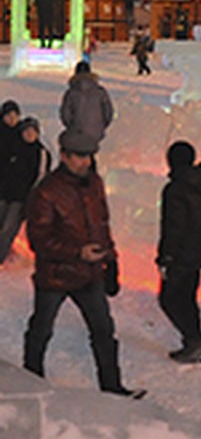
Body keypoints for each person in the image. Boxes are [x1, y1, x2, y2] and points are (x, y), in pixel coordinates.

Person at [22, 132, 143, 398]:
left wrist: (111, 261)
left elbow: (102, 226)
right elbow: (39, 240)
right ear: (64, 155)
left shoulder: (95, 183)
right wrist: (78, 253)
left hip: (89, 275)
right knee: (41, 330)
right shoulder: (46, 192)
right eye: (78, 156)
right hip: (55, 276)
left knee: (104, 332)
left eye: (88, 156)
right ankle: (31, 384)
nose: (85, 161)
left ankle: (112, 388)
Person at [156, 141, 201, 363]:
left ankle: (194, 338)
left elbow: (173, 226)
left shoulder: (176, 189)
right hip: (197, 252)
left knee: (169, 299)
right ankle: (194, 339)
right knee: (188, 298)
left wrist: (166, 255)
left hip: (179, 255)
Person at [0, 116, 52, 262]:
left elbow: (41, 177)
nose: (29, 134)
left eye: (32, 131)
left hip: (22, 198)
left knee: (8, 228)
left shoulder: (41, 152)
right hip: (4, 193)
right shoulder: (13, 148)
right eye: (26, 131)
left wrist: (32, 197)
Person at [59, 61, 114, 155]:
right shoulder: (100, 91)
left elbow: (65, 114)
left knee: (80, 155)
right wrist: (101, 125)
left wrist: (71, 126)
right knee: (90, 154)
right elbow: (108, 112)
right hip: (95, 131)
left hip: (77, 131)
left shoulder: (71, 92)